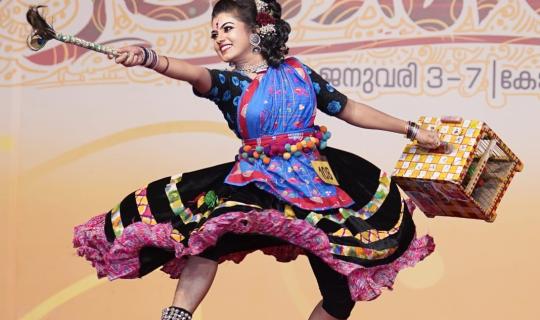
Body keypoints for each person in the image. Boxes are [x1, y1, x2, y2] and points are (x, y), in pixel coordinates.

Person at [73, 0, 440, 319]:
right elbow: (192, 72)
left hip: (317, 184)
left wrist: (410, 129)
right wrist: (148, 58)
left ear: (256, 31)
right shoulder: (227, 85)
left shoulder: (299, 73)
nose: (219, 38)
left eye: (227, 28)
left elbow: (349, 109)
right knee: (210, 235)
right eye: (214, 33)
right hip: (256, 181)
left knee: (341, 293)